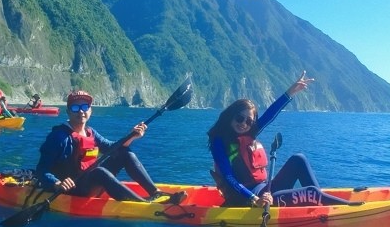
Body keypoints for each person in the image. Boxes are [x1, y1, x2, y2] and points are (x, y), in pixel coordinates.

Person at [207, 71, 350, 207]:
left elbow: (269, 114)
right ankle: (340, 206)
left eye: (249, 122)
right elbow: (228, 176)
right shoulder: (219, 142)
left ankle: (320, 203)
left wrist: (290, 92)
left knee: (298, 159)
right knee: (310, 193)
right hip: (246, 199)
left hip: (265, 191)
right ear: (231, 116)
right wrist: (255, 199)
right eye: (239, 118)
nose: (244, 124)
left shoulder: (249, 133)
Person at [34, 90, 183, 203]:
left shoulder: (90, 132)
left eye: (85, 106)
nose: (81, 111)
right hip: (73, 189)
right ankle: (142, 204)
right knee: (99, 171)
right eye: (75, 108)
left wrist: (132, 135)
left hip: (91, 182)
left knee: (125, 153)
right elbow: (41, 169)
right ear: (68, 112)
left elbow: (113, 147)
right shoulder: (58, 137)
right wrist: (57, 183)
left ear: (90, 111)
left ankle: (155, 192)